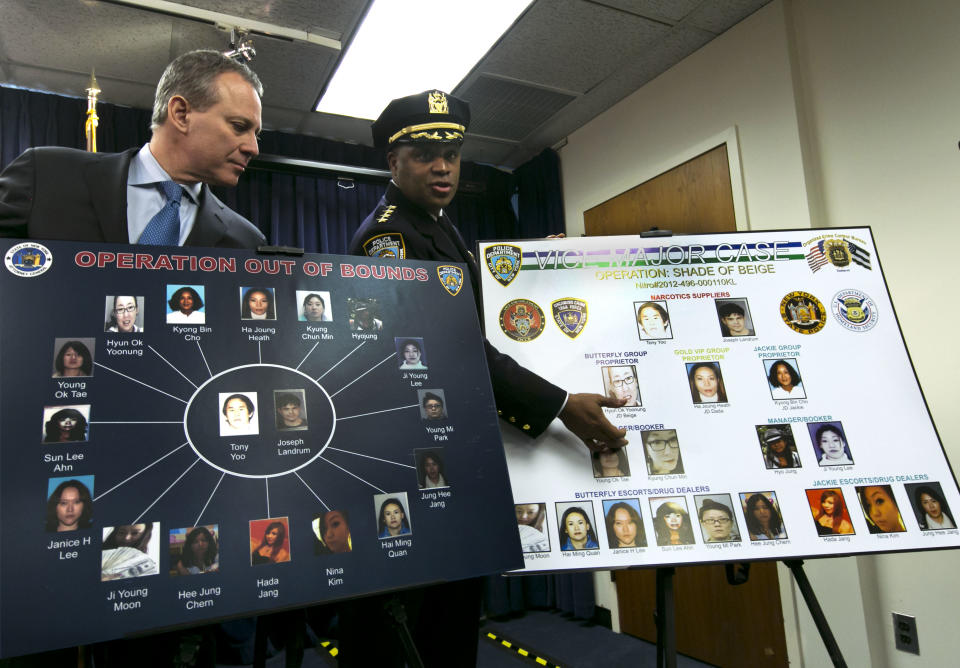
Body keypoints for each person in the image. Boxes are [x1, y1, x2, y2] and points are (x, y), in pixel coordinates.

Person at [342, 88, 626, 668]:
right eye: (423, 154)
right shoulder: (390, 239)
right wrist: (560, 402)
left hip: (445, 452)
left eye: (452, 152)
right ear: (393, 163)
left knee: (449, 622)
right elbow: (441, 349)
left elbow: (469, 315)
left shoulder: (437, 229)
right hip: (412, 458)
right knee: (412, 633)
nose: (442, 166)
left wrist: (539, 275)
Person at [0, 50, 265, 249]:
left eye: (257, 134)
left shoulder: (246, 241)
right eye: (239, 126)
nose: (252, 148)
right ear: (181, 114)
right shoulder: (45, 175)